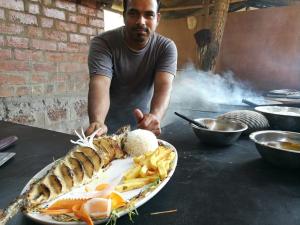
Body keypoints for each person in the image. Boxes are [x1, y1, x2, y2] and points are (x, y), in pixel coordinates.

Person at [85, 0, 177, 137]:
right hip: (107, 131)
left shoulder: (165, 47)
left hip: (142, 129)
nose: (141, 21)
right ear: (124, 16)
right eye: (133, 13)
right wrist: (98, 121)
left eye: (149, 15)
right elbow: (100, 83)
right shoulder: (103, 43)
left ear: (157, 18)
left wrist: (154, 117)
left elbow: (163, 86)